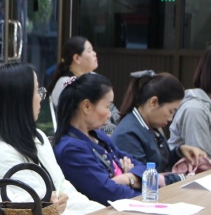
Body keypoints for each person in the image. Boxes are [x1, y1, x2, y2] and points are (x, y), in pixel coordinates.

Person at [0, 62, 99, 215]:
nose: (41, 97)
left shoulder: (37, 136)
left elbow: (63, 189)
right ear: (20, 99)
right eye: (37, 90)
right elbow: (43, 209)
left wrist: (100, 211)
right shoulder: (0, 153)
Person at [53, 73, 146, 205]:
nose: (109, 114)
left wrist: (127, 178)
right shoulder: (71, 149)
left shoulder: (98, 136)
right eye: (107, 107)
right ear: (87, 106)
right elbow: (110, 193)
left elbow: (141, 166)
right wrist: (141, 188)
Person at [112, 70, 207, 183]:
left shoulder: (150, 126)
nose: (170, 118)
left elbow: (160, 163)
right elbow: (143, 177)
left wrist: (179, 152)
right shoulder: (128, 134)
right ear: (153, 102)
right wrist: (183, 178)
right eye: (171, 111)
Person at [46, 36, 119, 133]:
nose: (94, 54)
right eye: (89, 51)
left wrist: (121, 127)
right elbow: (80, 122)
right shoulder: (66, 84)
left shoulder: (95, 77)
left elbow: (112, 108)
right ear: (77, 58)